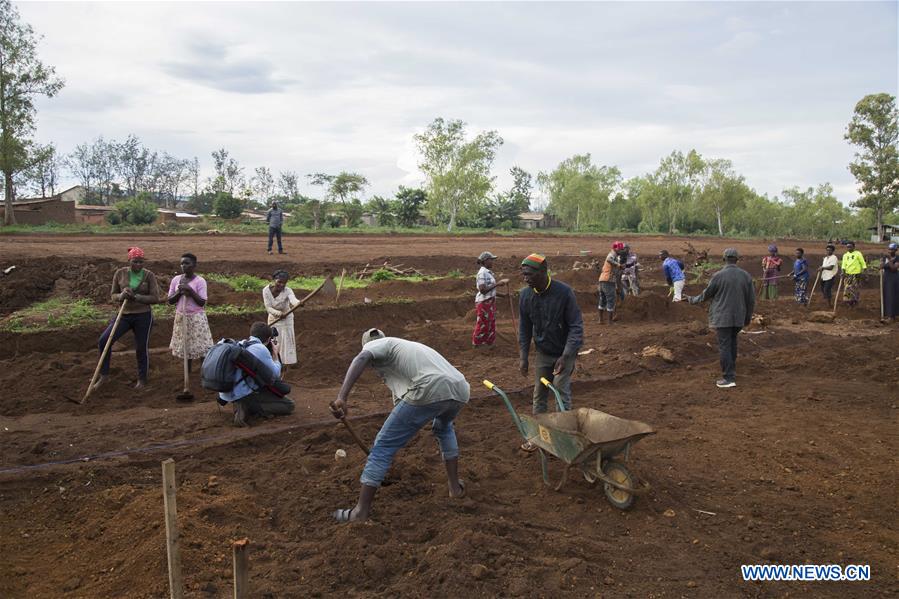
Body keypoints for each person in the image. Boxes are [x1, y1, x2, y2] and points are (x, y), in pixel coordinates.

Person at [329, 329, 469, 523]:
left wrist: (342, 398)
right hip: (460, 388)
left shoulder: (376, 345)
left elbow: (361, 357)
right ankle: (455, 488)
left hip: (429, 386)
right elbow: (402, 411)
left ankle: (360, 512)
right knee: (443, 428)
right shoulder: (402, 354)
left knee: (383, 445)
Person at [518, 253, 583, 451]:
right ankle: (538, 436)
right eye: (524, 275)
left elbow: (576, 326)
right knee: (539, 395)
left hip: (564, 352)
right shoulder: (525, 295)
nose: (526, 279)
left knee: (561, 392)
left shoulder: (564, 293)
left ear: (544, 272)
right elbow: (525, 328)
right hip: (543, 353)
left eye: (530, 274)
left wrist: (566, 355)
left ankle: (565, 438)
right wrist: (523, 357)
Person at [93, 247, 161, 391]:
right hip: (124, 315)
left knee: (141, 347)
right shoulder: (120, 273)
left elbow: (155, 298)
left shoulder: (149, 275)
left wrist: (137, 297)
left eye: (141, 262)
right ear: (129, 260)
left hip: (143, 316)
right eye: (135, 261)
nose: (138, 265)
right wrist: (122, 295)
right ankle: (104, 375)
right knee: (104, 341)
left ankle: (142, 379)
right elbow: (113, 295)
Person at [686, 248, 755, 388]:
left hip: (723, 318)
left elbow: (706, 295)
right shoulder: (746, 276)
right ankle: (731, 372)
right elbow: (751, 300)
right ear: (737, 259)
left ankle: (728, 378)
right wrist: (747, 317)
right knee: (732, 343)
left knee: (724, 346)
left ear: (724, 259)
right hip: (739, 318)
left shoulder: (718, 276)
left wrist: (691, 300)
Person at [218, 322, 295, 426]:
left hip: (229, 391)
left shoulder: (241, 344)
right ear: (268, 339)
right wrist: (275, 355)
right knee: (289, 405)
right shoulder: (260, 348)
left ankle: (243, 404)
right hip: (243, 393)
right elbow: (275, 375)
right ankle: (248, 407)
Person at [167, 253, 214, 373]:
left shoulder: (200, 281)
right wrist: (179, 292)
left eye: (187, 263)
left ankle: (205, 372)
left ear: (194, 265)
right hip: (181, 317)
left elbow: (202, 302)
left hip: (196, 317)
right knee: (185, 346)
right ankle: (187, 372)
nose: (184, 266)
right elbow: (170, 301)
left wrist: (190, 291)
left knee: (202, 345)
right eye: (182, 263)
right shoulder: (176, 280)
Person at [262, 270, 299, 370]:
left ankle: (287, 364)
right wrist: (279, 314)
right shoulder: (266, 291)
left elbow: (293, 300)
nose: (281, 285)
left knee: (287, 341)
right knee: (274, 340)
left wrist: (298, 303)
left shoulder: (288, 291)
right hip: (274, 319)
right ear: (274, 280)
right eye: (279, 282)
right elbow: (268, 307)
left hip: (287, 319)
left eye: (284, 283)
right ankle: (276, 362)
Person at [472, 251, 508, 347]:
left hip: (490, 302)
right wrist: (498, 283)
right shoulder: (482, 273)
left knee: (490, 323)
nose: (492, 262)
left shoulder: (488, 273)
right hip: (484, 302)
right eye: (491, 260)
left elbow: (490, 291)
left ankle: (489, 344)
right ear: (485, 261)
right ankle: (477, 344)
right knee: (483, 323)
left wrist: (503, 295)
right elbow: (483, 290)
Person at [598, 242, 625, 323]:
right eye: (620, 249)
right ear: (615, 248)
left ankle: (601, 320)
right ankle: (610, 321)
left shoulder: (615, 256)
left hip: (603, 280)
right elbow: (609, 259)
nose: (621, 250)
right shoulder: (612, 255)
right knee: (611, 299)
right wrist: (619, 265)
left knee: (602, 300)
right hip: (608, 280)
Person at [840, 241, 867, 307]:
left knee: (854, 288)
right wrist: (843, 272)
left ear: (854, 247)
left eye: (850, 247)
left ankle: (854, 301)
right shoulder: (845, 255)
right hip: (848, 274)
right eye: (847, 247)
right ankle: (848, 301)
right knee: (847, 288)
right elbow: (843, 265)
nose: (849, 248)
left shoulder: (858, 254)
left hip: (856, 274)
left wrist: (865, 273)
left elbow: (863, 263)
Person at [881, 242, 899, 322]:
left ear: (896, 250)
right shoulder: (885, 258)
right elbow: (881, 267)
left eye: (892, 249)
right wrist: (882, 261)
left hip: (894, 279)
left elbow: (894, 268)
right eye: (889, 249)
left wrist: (890, 260)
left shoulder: (897, 258)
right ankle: (887, 314)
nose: (890, 251)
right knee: (886, 296)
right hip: (886, 278)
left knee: (892, 296)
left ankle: (892, 316)